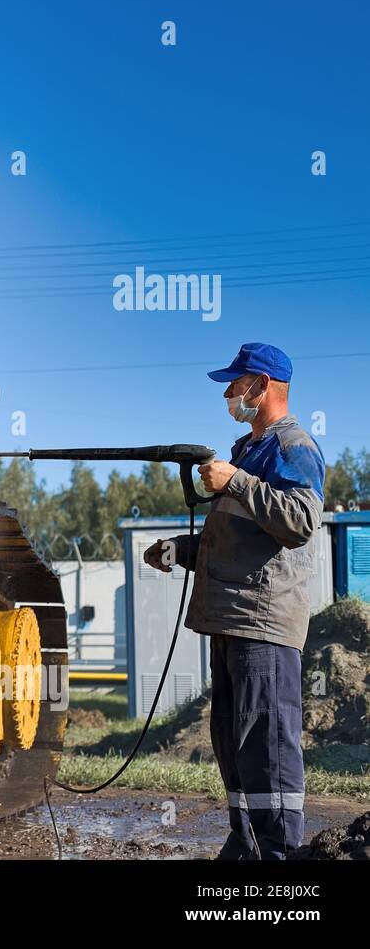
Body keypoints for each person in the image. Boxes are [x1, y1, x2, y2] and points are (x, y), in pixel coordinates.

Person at [144, 342, 324, 859]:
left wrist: (237, 481)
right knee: (233, 739)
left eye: (235, 382)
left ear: (262, 386)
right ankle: (245, 844)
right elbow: (241, 541)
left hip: (263, 622)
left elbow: (299, 522)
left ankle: (279, 853)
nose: (228, 393)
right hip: (233, 618)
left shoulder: (294, 447)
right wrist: (180, 550)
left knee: (266, 743)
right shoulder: (249, 448)